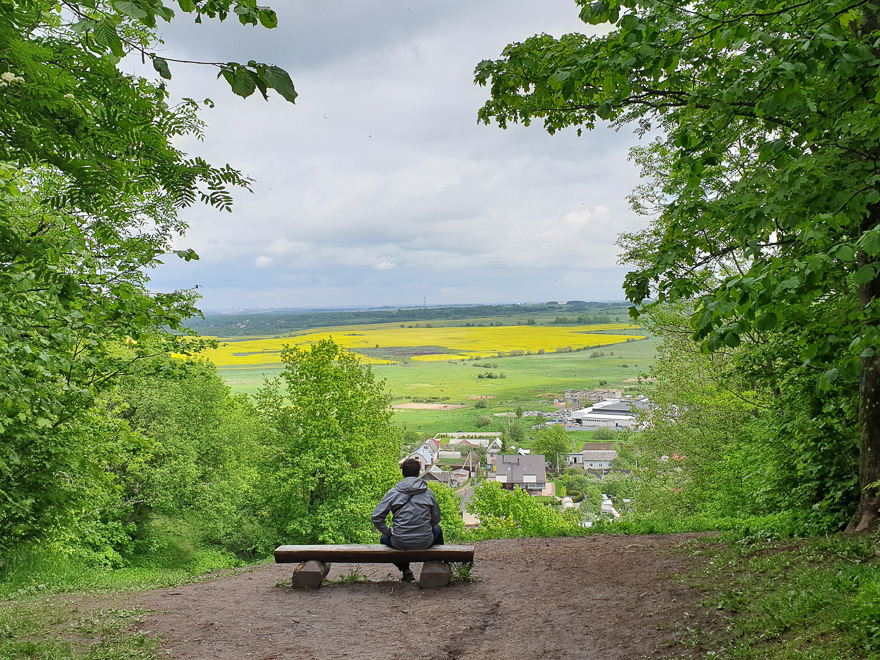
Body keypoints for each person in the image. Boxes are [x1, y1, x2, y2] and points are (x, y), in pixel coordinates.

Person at [372, 457, 444, 582]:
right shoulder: (428, 493)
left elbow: (376, 517)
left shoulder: (393, 493)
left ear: (403, 473)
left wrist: (389, 531)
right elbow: (436, 518)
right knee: (438, 530)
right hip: (425, 540)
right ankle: (437, 567)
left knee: (383, 538)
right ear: (418, 472)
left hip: (399, 541)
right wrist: (426, 527)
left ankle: (405, 570)